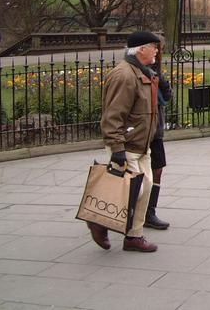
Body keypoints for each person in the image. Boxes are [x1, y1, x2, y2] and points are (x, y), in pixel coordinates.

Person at [87, 30, 161, 252]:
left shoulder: (142, 71)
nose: (157, 50)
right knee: (130, 191)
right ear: (141, 49)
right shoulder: (124, 75)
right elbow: (113, 115)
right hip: (127, 144)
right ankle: (99, 221)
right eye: (153, 46)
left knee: (145, 188)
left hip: (141, 144)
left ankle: (133, 237)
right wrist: (117, 148)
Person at [145, 36, 172, 230]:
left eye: (159, 49)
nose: (158, 52)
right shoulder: (132, 73)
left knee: (157, 170)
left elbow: (167, 95)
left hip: (155, 130)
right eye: (156, 48)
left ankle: (149, 211)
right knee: (139, 173)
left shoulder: (154, 72)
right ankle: (134, 211)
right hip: (140, 133)